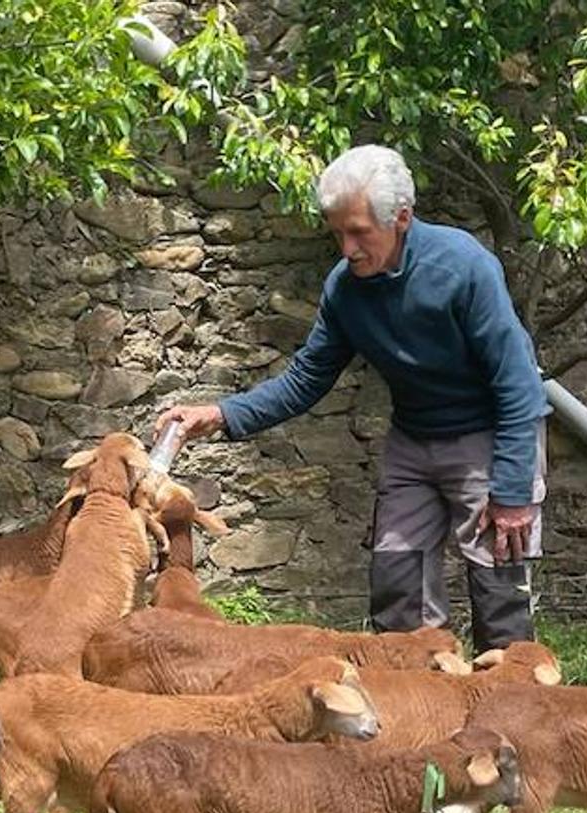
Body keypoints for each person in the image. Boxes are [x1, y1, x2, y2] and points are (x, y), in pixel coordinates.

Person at [155, 145, 550, 651]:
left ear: (401, 218)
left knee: (498, 592)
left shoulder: (464, 267)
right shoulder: (345, 289)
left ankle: (512, 716)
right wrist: (219, 414)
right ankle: (417, 714)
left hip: (489, 437)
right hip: (414, 440)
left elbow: (519, 385)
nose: (347, 248)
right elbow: (306, 379)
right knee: (396, 589)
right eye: (337, 232)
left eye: (359, 232)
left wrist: (513, 492)